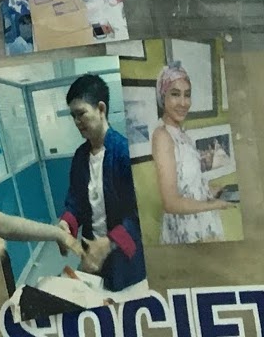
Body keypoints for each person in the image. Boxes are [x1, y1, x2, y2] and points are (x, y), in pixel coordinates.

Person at [59, 74, 147, 292]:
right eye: (73, 116)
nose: (77, 122)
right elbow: (75, 202)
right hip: (91, 257)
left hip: (124, 260)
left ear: (101, 109)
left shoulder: (125, 153)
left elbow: (140, 215)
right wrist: (65, 225)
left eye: (81, 113)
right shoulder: (80, 157)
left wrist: (107, 243)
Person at [152, 62, 231, 244]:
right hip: (186, 230)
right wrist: (212, 205)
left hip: (200, 223)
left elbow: (187, 186)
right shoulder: (162, 136)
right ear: (163, 96)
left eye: (187, 95)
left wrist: (209, 191)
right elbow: (170, 203)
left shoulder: (183, 134)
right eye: (175, 94)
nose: (183, 102)